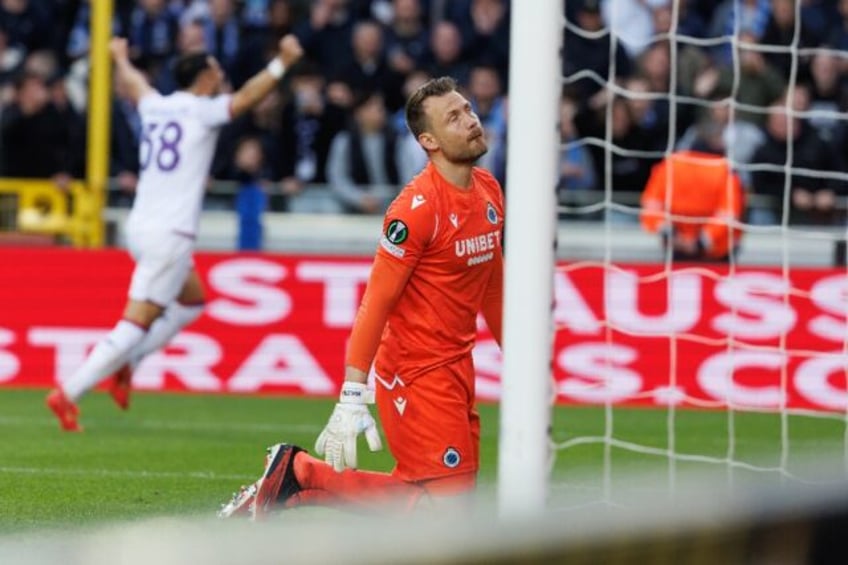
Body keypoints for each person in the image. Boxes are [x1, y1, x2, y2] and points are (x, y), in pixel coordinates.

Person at [218, 76, 504, 519]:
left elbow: (492, 284)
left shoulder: (489, 192)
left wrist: (520, 360)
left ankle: (293, 481)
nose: (470, 120)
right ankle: (301, 471)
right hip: (415, 371)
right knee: (444, 514)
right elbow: (376, 301)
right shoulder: (416, 211)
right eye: (454, 116)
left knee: (437, 505)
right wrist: (353, 393)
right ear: (428, 140)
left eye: (467, 109)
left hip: (458, 365)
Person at [45, 34, 304, 432]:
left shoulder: (157, 106)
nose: (221, 75)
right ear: (203, 78)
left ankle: (127, 365)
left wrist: (119, 57)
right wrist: (281, 63)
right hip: (170, 233)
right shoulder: (201, 111)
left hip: (143, 225)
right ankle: (70, 391)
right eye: (216, 69)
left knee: (192, 302)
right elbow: (248, 98)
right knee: (135, 323)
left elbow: (134, 83)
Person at [640, 130, 745, 262]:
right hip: (715, 252)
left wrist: (671, 234)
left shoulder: (669, 165)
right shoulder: (725, 170)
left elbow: (651, 205)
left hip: (675, 248)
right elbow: (728, 213)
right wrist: (701, 241)